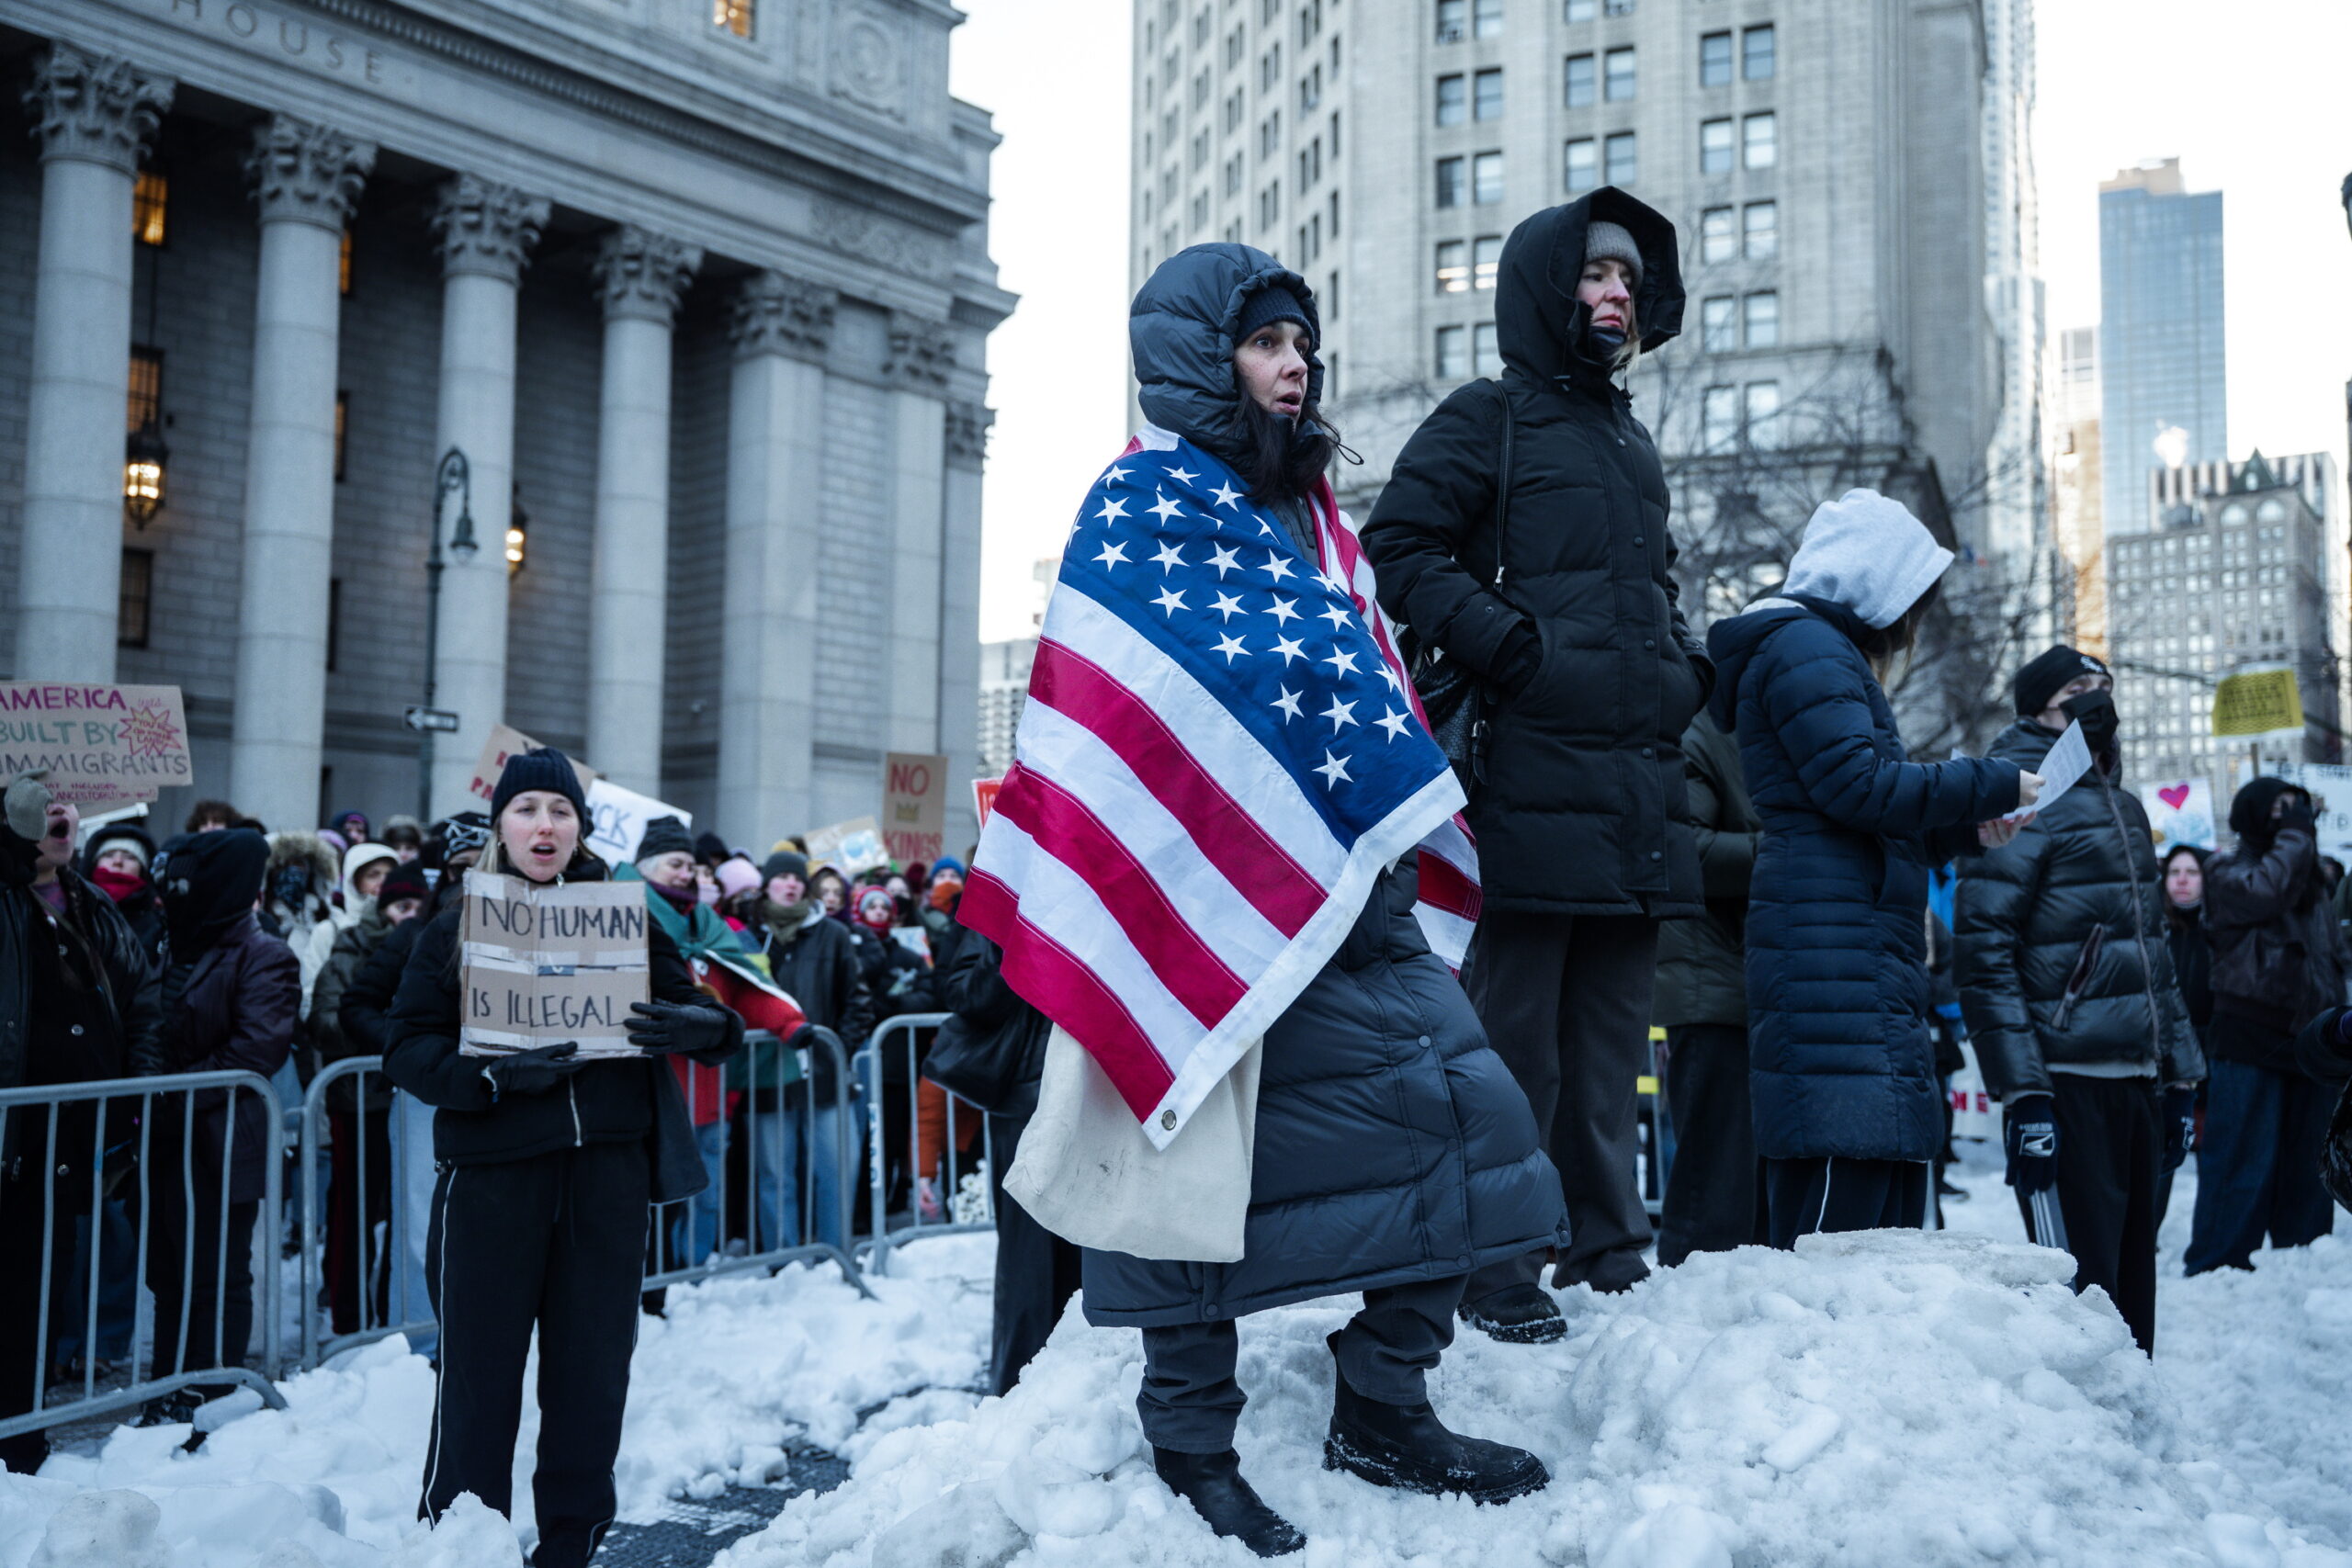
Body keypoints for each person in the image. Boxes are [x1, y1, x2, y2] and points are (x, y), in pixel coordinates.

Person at [1001, 243, 1564, 1557]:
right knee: (1185, 1184)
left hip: (1353, 911)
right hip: (1195, 905)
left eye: (1302, 341)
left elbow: (1349, 689)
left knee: (1475, 1145)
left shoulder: (1319, 525)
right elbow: (1115, 723)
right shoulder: (1141, 506)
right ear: (1205, 364)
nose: (1295, 361)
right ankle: (1192, 1439)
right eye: (1265, 342)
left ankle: (1384, 1400)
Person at [1360, 189, 1710, 1331]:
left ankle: (1607, 1251)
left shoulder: (1629, 439)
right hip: (1520, 783)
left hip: (1628, 789)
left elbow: (1650, 590)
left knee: (1611, 1051)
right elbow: (1395, 546)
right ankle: (1498, 1267)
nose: (1616, 297)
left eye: (1627, 281)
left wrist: (1682, 670)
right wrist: (1515, 646)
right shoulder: (1486, 416)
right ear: (1546, 288)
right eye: (1594, 277)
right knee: (1514, 1049)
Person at [384, 750, 741, 1566]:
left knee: (591, 1377)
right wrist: (486, 1077)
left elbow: (702, 1011)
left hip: (604, 1178)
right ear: (500, 824)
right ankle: (464, 1544)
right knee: (478, 1380)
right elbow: (403, 1045)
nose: (545, 825)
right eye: (527, 809)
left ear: (580, 827)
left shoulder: (624, 916)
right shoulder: (456, 924)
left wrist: (698, 1027)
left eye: (561, 810)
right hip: (492, 1180)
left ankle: (572, 1545)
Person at [1705, 490, 2036, 1247]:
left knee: (1875, 1237)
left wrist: (1966, 830)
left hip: (1849, 948)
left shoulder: (1821, 650)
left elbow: (1860, 810)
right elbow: (1857, 787)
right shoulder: (1806, 647)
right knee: (1835, 1239)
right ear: (1876, 579)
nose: (1912, 621)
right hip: (1831, 953)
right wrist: (1987, 779)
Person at [1952, 648, 2202, 1353]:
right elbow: (1983, 955)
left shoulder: (2123, 805)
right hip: (2065, 1086)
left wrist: (2181, 1076)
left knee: (2133, 1288)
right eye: (2078, 689)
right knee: (2080, 1297)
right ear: (2037, 708)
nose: (2097, 699)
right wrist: (2024, 1095)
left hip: (2139, 1084)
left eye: (2104, 687)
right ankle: (2081, 1447)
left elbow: (2154, 954)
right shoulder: (2016, 799)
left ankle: (2133, 1440)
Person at [0, 780, 163, 1472]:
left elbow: (143, 999)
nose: (61, 812)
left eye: (67, 803)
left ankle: (23, 1430)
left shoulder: (94, 907)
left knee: (42, 1278)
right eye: (41, 805)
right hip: (12, 1128)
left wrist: (135, 1091)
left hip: (67, 1136)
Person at [145, 825, 300, 1424]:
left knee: (216, 1268)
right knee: (169, 1268)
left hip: (220, 1136)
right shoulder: (171, 943)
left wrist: (174, 1090)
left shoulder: (265, 954)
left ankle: (210, 1396)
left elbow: (256, 1048)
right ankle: (167, 1388)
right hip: (166, 1134)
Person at [616, 816, 802, 1273]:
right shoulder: (616, 916)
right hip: (647, 1094)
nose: (686, 874)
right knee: (644, 1202)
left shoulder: (710, 927)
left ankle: (689, 1272)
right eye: (675, 864)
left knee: (704, 1198)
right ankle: (645, 1282)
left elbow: (746, 988)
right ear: (644, 868)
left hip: (708, 1097)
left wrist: (790, 1024)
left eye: (691, 867)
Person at [341, 811, 492, 1358]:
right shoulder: (416, 932)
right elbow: (355, 1003)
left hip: (500, 1092)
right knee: (420, 1222)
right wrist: (411, 1052)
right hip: (428, 1098)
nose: (472, 878)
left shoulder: (527, 927)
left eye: (486, 865)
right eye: (460, 867)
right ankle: (424, 1342)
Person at [2186, 779, 2347, 1273]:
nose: (2295, 819)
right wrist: (2297, 835)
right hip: (2248, 1035)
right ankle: (2218, 1266)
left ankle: (2301, 1261)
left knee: (2308, 1167)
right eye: (2282, 810)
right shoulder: (2226, 869)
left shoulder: (2311, 880)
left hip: (2310, 1040)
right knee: (2241, 1162)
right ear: (2255, 814)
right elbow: (2267, 892)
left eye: (2300, 810)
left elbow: (2330, 953)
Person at [1652, 710, 1768, 1264]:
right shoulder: (1703, 734)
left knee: (1742, 1178)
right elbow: (1687, 850)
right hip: (1711, 983)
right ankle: (1687, 1306)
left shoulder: (1762, 730)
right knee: (1714, 1180)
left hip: (1752, 980)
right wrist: (1791, 849)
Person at [942, 931, 1075, 1395]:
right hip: (1026, 1102)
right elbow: (968, 997)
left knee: (1099, 1246)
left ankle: (1092, 1376)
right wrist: (1009, 934)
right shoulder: (1002, 898)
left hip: (1103, 1095)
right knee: (1029, 1258)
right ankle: (1020, 1385)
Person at [307, 859, 429, 1337]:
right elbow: (324, 1019)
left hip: (411, 1103)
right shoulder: (351, 949)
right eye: (401, 905)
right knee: (354, 1213)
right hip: (360, 1101)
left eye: (418, 906)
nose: (410, 915)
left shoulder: (435, 947)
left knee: (407, 1217)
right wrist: (391, 1037)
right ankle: (349, 1321)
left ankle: (393, 1315)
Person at [733, 851, 871, 1253]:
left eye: (798, 878)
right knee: (775, 1173)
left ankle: (836, 1253)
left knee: (836, 1169)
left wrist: (835, 1050)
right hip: (768, 1072)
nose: (791, 884)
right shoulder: (747, 938)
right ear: (766, 885)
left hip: (824, 1074)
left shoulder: (833, 934)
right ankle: (784, 1257)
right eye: (782, 878)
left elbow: (857, 1002)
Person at [79, 821, 165, 964]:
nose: (118, 861)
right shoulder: (73, 911)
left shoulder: (159, 922)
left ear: (143, 869)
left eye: (130, 857)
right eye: (108, 854)